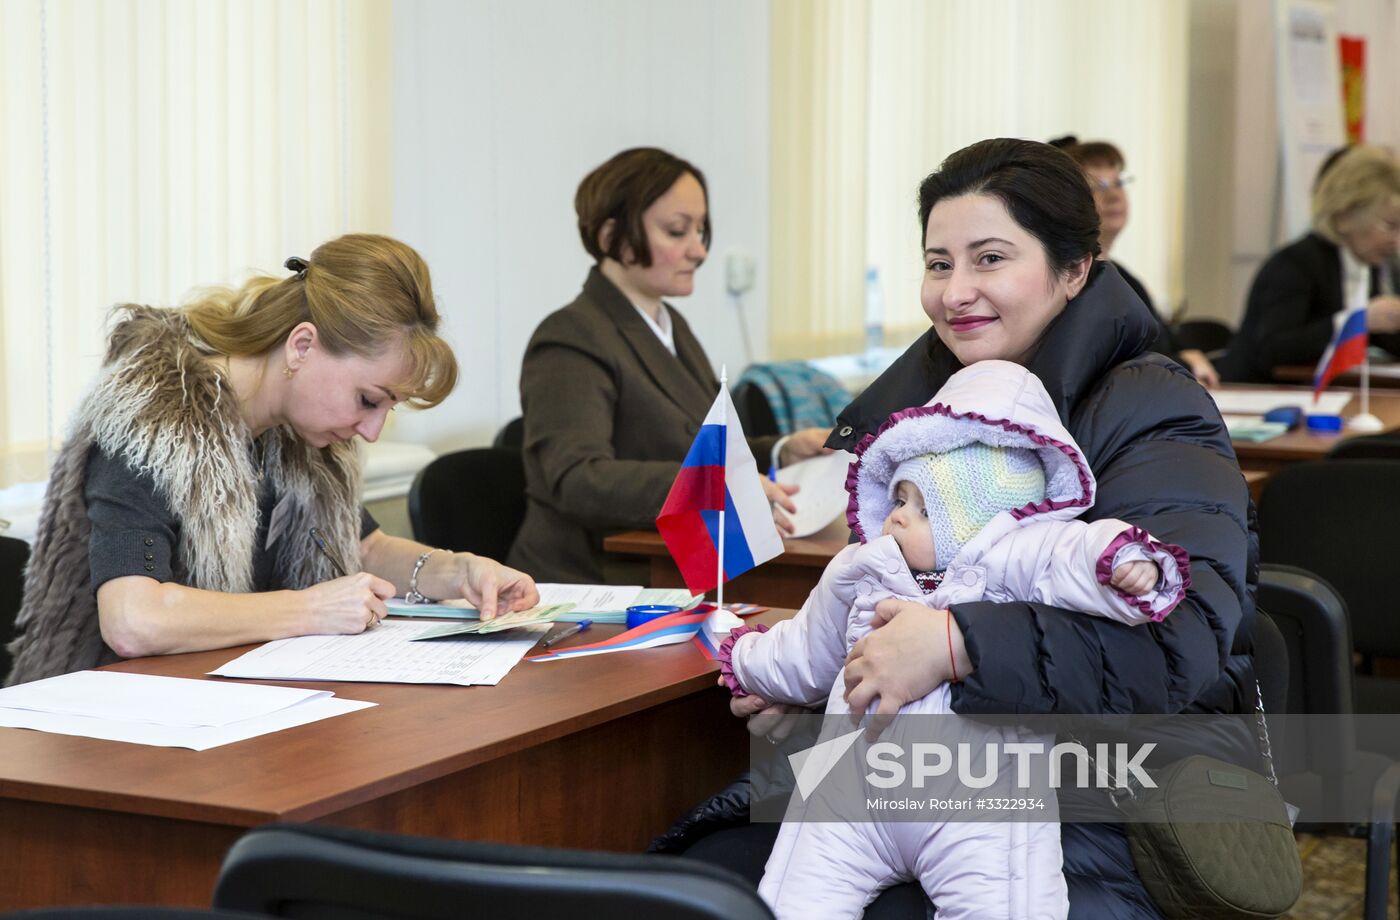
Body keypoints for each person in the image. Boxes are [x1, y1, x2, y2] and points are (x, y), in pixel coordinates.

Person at [672, 139, 1258, 920]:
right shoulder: (919, 416)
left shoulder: (1152, 411)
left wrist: (958, 645)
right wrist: (835, 683)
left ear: (1074, 270)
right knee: (709, 882)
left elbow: (1180, 641)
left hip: (1115, 780)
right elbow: (894, 595)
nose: (957, 292)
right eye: (939, 263)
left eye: (989, 258)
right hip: (908, 768)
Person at [715, 361, 1188, 920]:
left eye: (921, 508)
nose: (894, 519)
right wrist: (745, 657)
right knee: (789, 901)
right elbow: (806, 649)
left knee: (1006, 905)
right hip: (847, 796)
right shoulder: (861, 568)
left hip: (974, 801)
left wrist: (1127, 563)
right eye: (897, 500)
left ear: (975, 520)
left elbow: (1076, 553)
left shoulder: (1014, 559)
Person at [5, 234, 539, 686]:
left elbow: (363, 546)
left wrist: (459, 571)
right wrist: (310, 609)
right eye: (369, 400)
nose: (372, 431)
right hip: (104, 721)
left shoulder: (298, 436)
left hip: (233, 701)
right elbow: (132, 620)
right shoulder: (153, 420)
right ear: (302, 346)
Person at [509, 147, 828, 585]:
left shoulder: (669, 324)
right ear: (611, 238)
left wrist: (781, 450)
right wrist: (715, 485)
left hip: (672, 567)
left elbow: (697, 451)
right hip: (594, 580)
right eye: (677, 231)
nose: (698, 250)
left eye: (701, 230)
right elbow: (578, 480)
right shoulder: (570, 337)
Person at [1221, 144, 1400, 383]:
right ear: (1345, 215)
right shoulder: (1295, 264)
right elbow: (1273, 349)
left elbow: (1381, 339)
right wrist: (1358, 321)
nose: (1396, 240)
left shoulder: (1368, 265)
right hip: (1261, 396)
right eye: (1389, 226)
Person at [1051, 136, 1220, 387]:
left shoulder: (1122, 277)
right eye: (1098, 186)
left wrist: (1186, 357)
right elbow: (1118, 364)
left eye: (1119, 183)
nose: (1113, 196)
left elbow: (1162, 344)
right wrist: (1184, 365)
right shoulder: (1073, 280)